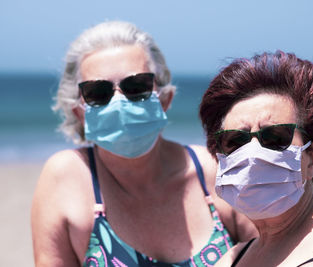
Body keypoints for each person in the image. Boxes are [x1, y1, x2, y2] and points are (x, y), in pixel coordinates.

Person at [31, 21, 256, 266]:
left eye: (136, 87)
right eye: (98, 92)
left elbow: (274, 250)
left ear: (165, 98)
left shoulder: (213, 172)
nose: (119, 102)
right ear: (79, 112)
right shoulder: (65, 179)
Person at [199, 51, 313, 266]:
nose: (252, 154)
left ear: (311, 157)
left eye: (274, 138)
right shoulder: (238, 254)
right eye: (235, 141)